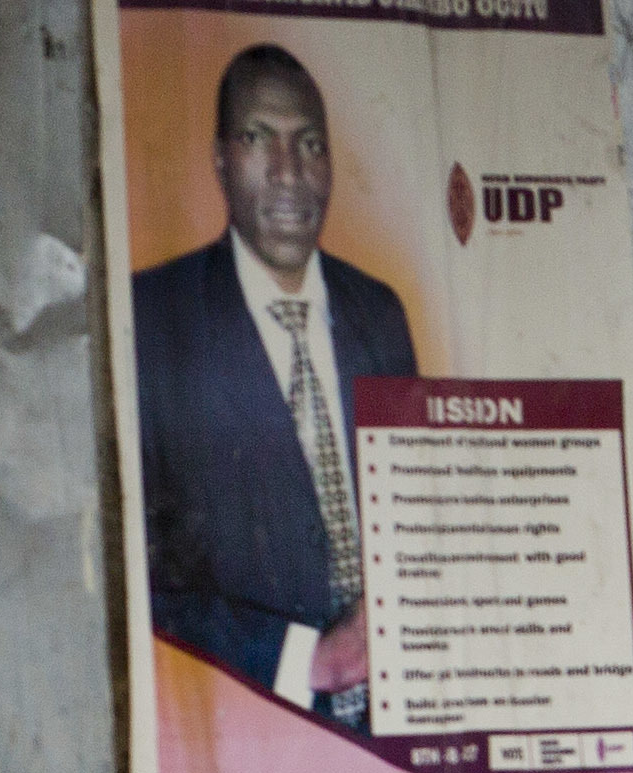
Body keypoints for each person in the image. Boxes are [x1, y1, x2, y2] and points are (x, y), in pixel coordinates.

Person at [127, 43, 425, 730]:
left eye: (311, 144)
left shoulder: (380, 313)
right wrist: (308, 661)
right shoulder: (150, 320)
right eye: (259, 139)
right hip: (250, 735)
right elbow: (135, 577)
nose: (290, 174)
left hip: (401, 732)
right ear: (221, 160)